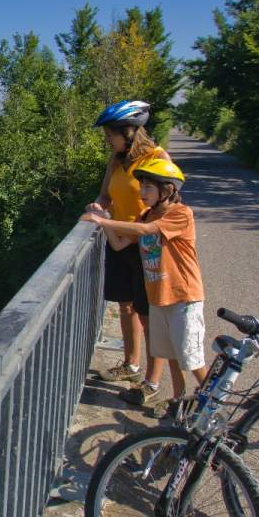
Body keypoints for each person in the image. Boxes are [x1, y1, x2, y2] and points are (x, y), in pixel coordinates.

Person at [81, 155, 207, 414]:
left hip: (183, 296)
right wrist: (103, 215)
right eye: (142, 186)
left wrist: (103, 221)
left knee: (190, 356)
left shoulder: (180, 214)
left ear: (168, 190)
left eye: (148, 187)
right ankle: (178, 399)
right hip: (158, 297)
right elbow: (118, 244)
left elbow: (148, 232)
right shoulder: (145, 215)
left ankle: (212, 407)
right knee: (171, 352)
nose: (142, 191)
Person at [87, 100, 170, 393]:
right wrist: (99, 205)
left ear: (131, 131)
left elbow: (167, 207)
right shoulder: (116, 160)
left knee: (149, 315)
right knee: (126, 306)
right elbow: (105, 195)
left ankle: (152, 381)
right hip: (118, 240)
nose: (108, 139)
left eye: (111, 133)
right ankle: (131, 365)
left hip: (145, 245)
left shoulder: (156, 159)